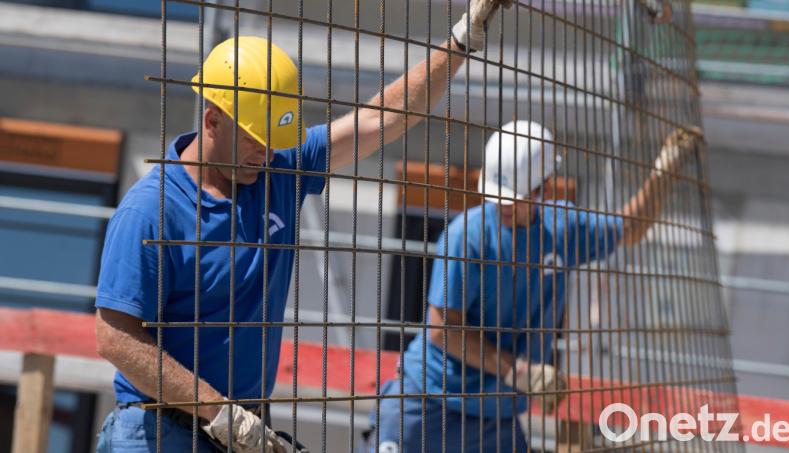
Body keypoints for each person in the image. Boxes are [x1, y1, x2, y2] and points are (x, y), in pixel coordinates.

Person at [93, 1, 512, 452]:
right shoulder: (151, 211)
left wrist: (461, 40)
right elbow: (114, 337)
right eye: (256, 140)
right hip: (156, 431)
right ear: (212, 120)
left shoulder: (276, 170)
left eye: (274, 142)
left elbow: (380, 117)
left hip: (234, 431)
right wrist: (219, 412)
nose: (266, 153)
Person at [372, 120, 701, 452]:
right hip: (428, 403)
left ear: (543, 186)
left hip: (495, 417)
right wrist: (519, 372)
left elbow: (629, 228)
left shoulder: (562, 229)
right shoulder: (466, 236)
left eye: (515, 197)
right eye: (497, 195)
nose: (504, 205)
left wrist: (664, 172)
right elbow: (443, 330)